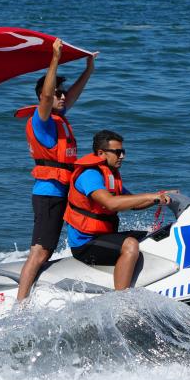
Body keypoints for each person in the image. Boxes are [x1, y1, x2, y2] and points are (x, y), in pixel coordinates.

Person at [15, 38, 95, 301]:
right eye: (57, 93)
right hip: (48, 194)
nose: (62, 96)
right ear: (43, 98)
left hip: (62, 192)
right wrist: (55, 58)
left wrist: (89, 69)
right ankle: (20, 303)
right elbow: (49, 96)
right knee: (39, 251)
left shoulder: (59, 119)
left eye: (63, 93)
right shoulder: (42, 120)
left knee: (48, 249)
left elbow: (72, 94)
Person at [64, 130, 173, 290]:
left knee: (154, 236)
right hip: (85, 244)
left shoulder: (110, 175)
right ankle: (121, 298)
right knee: (130, 245)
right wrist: (150, 196)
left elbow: (134, 204)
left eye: (123, 151)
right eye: (117, 152)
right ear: (101, 153)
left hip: (103, 236)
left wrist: (160, 196)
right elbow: (111, 204)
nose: (122, 156)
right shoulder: (90, 175)